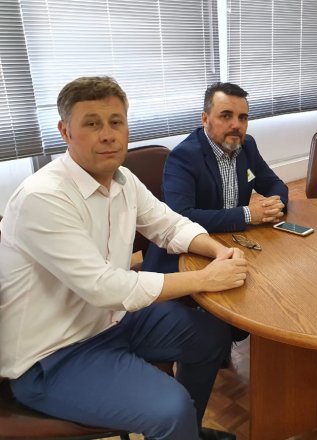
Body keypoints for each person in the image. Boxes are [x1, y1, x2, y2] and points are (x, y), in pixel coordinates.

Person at [0, 76, 248, 440]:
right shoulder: (43, 197)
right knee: (171, 408)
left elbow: (169, 225)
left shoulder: (123, 179)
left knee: (212, 334)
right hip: (52, 355)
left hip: (111, 321)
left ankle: (187, 433)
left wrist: (217, 251)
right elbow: (104, 287)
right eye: (92, 123)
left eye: (115, 122)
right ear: (65, 132)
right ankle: (180, 428)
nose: (108, 135)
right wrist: (205, 278)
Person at [142, 82, 288, 274]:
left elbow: (274, 184)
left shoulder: (247, 145)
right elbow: (181, 217)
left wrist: (274, 205)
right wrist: (247, 214)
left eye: (242, 118)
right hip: (183, 257)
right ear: (205, 119)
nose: (236, 125)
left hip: (232, 244)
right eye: (226, 116)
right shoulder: (183, 156)